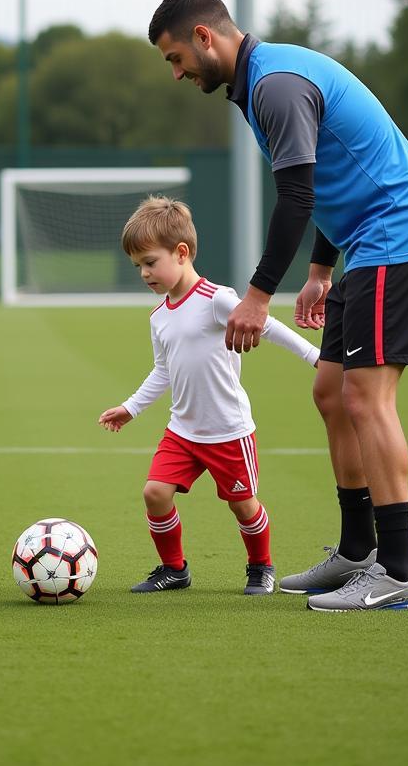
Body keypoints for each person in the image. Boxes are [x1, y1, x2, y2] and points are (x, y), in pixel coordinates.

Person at [147, 0, 408, 612]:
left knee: (367, 398)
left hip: (399, 237)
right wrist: (319, 270)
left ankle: (399, 572)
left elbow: (297, 196)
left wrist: (259, 294)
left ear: (205, 37)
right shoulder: (262, 81)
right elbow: (328, 178)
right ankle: (357, 553)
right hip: (366, 242)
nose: (177, 73)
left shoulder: (275, 85)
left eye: (176, 58)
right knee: (330, 392)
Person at [98, 197, 319, 596]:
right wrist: (131, 407)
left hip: (228, 431)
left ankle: (261, 566)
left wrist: (313, 356)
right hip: (182, 431)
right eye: (138, 267)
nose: (144, 273)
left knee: (243, 505)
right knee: (154, 493)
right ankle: (174, 569)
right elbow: (163, 369)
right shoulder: (159, 315)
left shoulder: (216, 298)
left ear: (181, 253)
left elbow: (265, 326)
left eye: (150, 262)